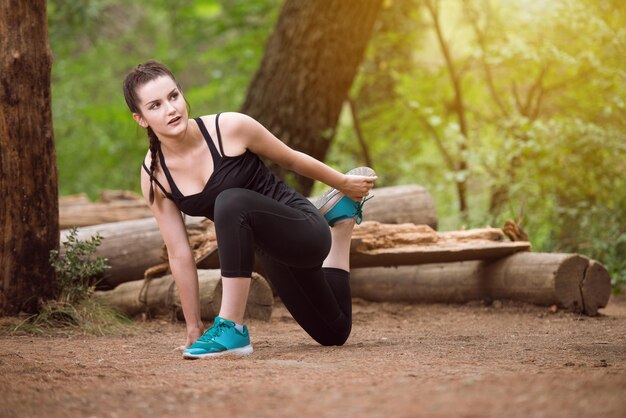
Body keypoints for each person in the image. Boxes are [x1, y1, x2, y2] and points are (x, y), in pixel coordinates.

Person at [122, 60, 377, 359]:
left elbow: (292, 159)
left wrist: (344, 181)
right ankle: (342, 222)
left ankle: (231, 327)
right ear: (141, 119)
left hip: (304, 227)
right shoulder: (154, 175)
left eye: (173, 96)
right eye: (156, 105)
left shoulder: (229, 128)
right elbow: (179, 254)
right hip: (273, 251)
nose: (171, 109)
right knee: (333, 333)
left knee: (229, 201)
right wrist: (193, 329)